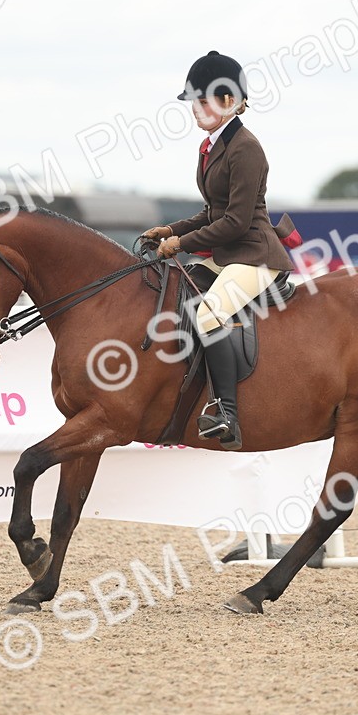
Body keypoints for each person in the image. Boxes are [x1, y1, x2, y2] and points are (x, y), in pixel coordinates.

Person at [142, 51, 294, 451]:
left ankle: (226, 412)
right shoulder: (211, 145)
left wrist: (181, 244)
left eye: (203, 101)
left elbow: (236, 222)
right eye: (193, 101)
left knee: (208, 315)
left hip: (254, 254)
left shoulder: (246, 148)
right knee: (178, 293)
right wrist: (171, 229)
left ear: (228, 100)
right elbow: (213, 211)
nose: (195, 109)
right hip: (229, 254)